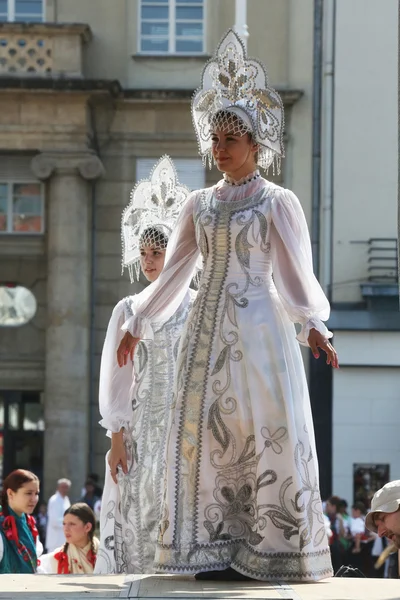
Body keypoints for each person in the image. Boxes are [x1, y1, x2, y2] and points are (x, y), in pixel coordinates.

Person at [116, 30, 338, 582]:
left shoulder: (276, 202)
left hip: (259, 331)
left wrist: (312, 323)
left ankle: (269, 549)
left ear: (255, 145)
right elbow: (175, 273)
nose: (220, 148)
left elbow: (294, 272)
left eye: (231, 138)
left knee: (262, 432)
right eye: (215, 138)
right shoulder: (200, 203)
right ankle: (214, 547)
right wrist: (139, 321)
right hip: (205, 340)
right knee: (209, 437)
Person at [95, 156, 197, 574]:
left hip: (188, 421)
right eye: (144, 252)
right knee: (140, 501)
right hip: (141, 425)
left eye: (159, 251)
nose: (150, 261)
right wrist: (116, 435)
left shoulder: (196, 303)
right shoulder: (129, 309)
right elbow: (117, 378)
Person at [0, 469, 42, 573]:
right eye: (28, 493)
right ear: (10, 493)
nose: (34, 499)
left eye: (36, 493)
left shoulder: (29, 524)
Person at [38, 503, 99, 574]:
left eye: (72, 524)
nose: (65, 529)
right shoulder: (56, 558)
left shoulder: (104, 554)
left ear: (87, 527)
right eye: (64, 524)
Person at [46, 478, 71, 552]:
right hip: (55, 540)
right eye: (62, 487)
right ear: (58, 487)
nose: (64, 489)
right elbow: (54, 521)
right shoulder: (54, 500)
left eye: (66, 487)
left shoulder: (66, 499)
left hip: (64, 538)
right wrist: (69, 523)